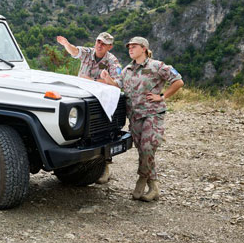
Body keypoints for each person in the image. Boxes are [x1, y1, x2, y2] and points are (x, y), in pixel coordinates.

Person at [100, 37, 184, 202]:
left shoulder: (157, 66)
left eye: (134, 46)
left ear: (144, 48)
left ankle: (142, 178)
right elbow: (117, 85)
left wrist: (162, 96)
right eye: (129, 46)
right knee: (144, 151)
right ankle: (154, 187)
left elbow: (178, 81)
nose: (130, 49)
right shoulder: (128, 69)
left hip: (152, 114)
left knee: (147, 147)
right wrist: (107, 78)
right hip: (135, 116)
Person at [57, 32, 122, 184]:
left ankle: (104, 166)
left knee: (101, 132)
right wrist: (66, 44)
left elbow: (117, 82)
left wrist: (94, 80)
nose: (99, 45)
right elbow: (75, 51)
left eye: (104, 44)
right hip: (81, 98)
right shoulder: (87, 52)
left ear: (109, 47)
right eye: (98, 41)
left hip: (100, 101)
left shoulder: (112, 61)